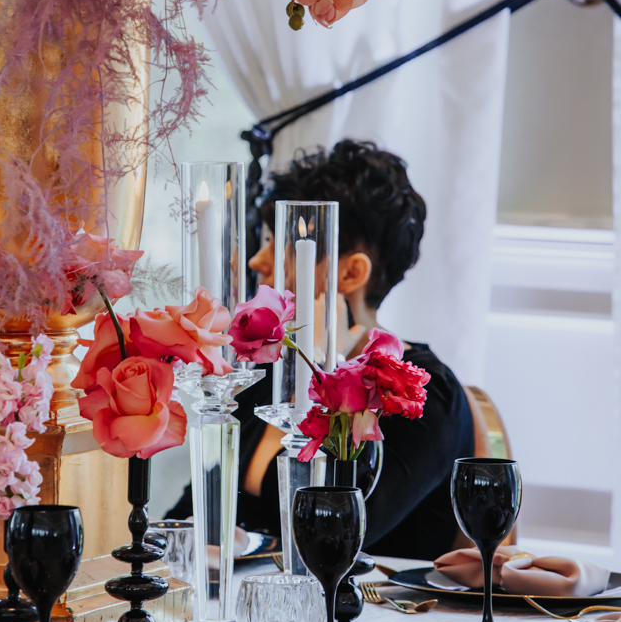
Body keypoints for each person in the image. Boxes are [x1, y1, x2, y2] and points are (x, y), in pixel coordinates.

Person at [167, 140, 474, 560]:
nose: (257, 260)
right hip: (247, 597)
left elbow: (337, 540)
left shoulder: (422, 395)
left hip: (372, 601)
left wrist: (330, 381)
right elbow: (190, 515)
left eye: (280, 242)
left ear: (351, 273)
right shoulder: (269, 371)